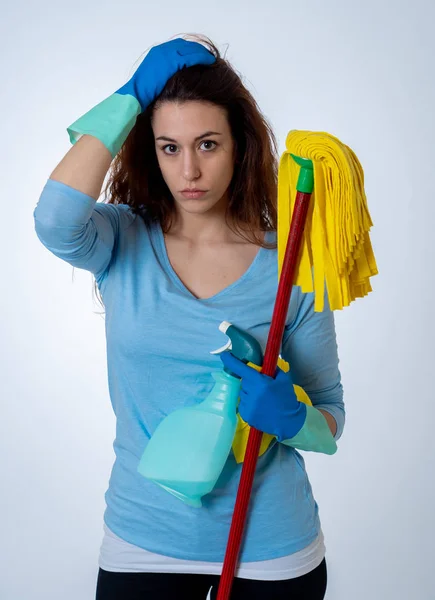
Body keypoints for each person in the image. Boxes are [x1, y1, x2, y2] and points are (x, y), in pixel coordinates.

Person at [33, 35, 345, 600]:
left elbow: (330, 420)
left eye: (207, 143)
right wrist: (131, 97)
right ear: (147, 150)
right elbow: (54, 220)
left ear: (240, 145)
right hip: (144, 539)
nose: (190, 169)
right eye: (169, 147)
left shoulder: (292, 266)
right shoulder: (122, 239)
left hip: (272, 549)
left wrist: (293, 417)